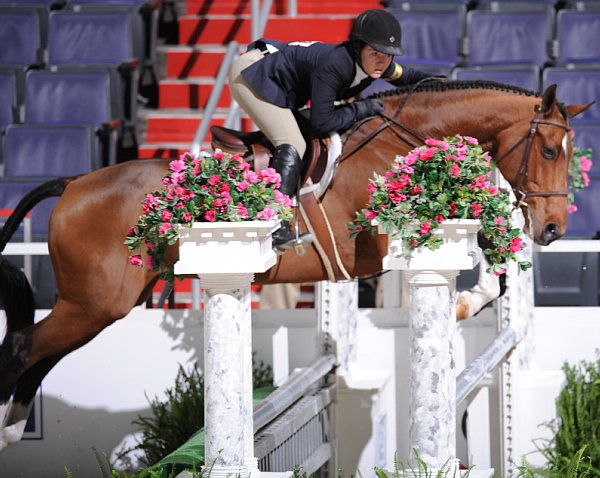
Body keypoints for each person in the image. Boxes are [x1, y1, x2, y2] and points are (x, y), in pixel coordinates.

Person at [229, 8, 434, 251]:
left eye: (389, 55)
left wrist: (445, 85)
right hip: (253, 75)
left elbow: (409, 76)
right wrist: (362, 108)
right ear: (358, 48)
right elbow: (323, 122)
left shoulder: (378, 64)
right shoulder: (335, 66)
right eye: (376, 53)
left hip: (277, 75)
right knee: (295, 142)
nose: (383, 61)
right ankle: (274, 226)